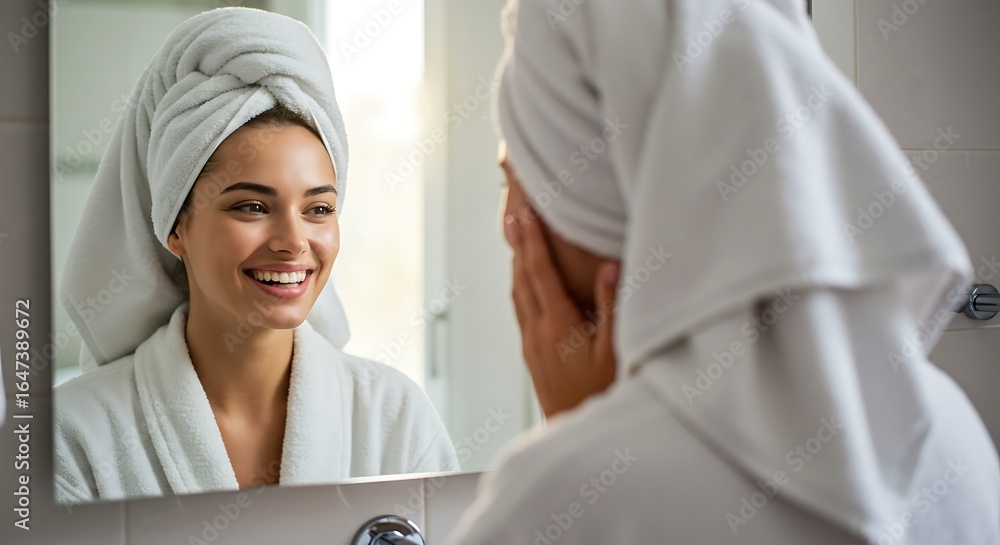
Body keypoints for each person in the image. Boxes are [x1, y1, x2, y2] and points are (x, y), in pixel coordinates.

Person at [446, 0, 1000, 543]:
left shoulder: (556, 500)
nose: (506, 225)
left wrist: (579, 441)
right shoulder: (952, 430)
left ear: (600, 197)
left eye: (512, 178)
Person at [54, 7, 457, 504]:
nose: (293, 240)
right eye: (252, 206)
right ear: (175, 226)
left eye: (319, 208)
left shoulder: (396, 419)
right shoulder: (70, 437)